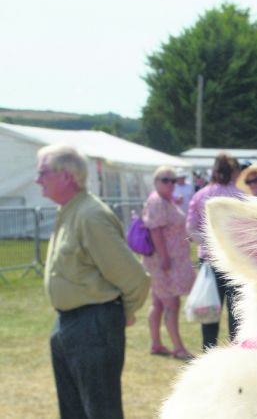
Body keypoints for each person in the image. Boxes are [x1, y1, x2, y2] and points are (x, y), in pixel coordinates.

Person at [36, 144, 150, 419]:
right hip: (70, 323)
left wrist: (118, 313)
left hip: (93, 325)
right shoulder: (70, 211)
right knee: (73, 411)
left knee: (101, 411)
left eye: (43, 172)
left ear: (66, 175)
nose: (37, 179)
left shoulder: (90, 215)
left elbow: (135, 278)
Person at [186, 153, 244, 350]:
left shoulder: (200, 195)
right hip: (234, 261)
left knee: (209, 309)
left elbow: (191, 228)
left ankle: (207, 350)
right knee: (236, 313)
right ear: (234, 172)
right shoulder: (241, 196)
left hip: (209, 260)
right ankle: (237, 353)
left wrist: (209, 244)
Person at [142, 166, 196, 360]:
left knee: (158, 303)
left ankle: (156, 343)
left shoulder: (165, 200)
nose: (171, 184)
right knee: (171, 303)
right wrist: (164, 257)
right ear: (156, 182)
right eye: (166, 180)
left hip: (168, 260)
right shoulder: (157, 201)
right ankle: (178, 347)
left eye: (173, 180)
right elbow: (155, 231)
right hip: (163, 262)